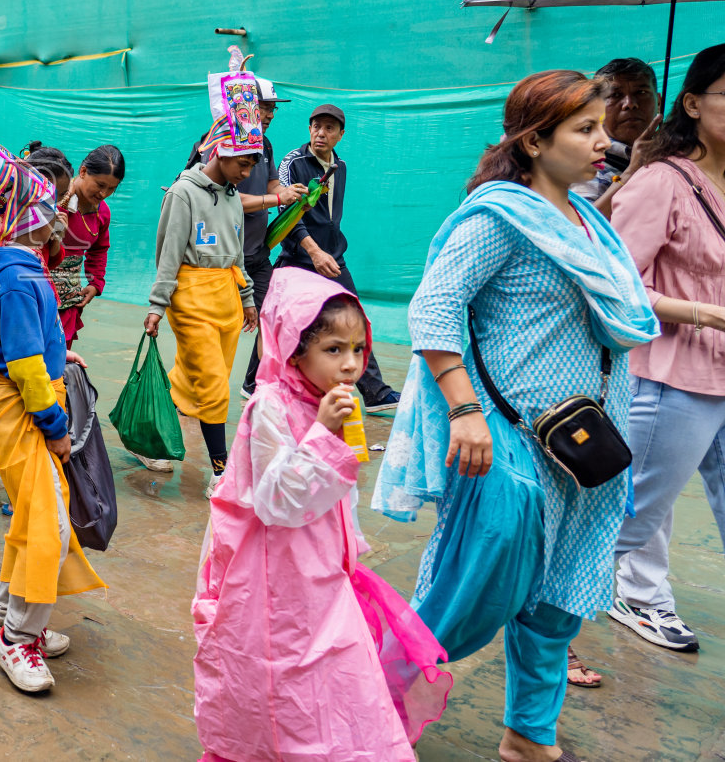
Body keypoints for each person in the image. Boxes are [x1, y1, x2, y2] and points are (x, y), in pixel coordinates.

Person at [372, 70, 658, 762]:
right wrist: (466, 411)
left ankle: (530, 737)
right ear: (535, 140)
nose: (602, 140)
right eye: (584, 129)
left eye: (602, 127)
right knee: (470, 594)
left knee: (559, 600)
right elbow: (434, 308)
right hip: (507, 442)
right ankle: (363, 710)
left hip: (586, 446)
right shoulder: (499, 215)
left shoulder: (588, 221)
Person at [195, 268, 450, 761]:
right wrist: (322, 436)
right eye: (333, 349)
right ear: (294, 348)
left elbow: (337, 496)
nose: (350, 364)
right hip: (276, 579)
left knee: (343, 674)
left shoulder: (328, 400)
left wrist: (348, 546)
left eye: (358, 349)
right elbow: (278, 503)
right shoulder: (268, 407)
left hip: (324, 572)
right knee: (284, 674)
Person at [0, 138, 104, 693]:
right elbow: (24, 366)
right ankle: (18, 641)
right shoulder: (22, 276)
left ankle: (8, 621)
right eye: (54, 209)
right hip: (26, 405)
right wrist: (55, 429)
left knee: (32, 516)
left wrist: (57, 352)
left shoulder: (18, 268)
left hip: (20, 394)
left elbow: (29, 348)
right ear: (37, 218)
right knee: (47, 522)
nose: (63, 219)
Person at [607, 44, 725, 653]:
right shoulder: (661, 182)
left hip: (721, 376)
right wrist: (708, 314)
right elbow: (617, 285)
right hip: (669, 376)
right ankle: (548, 618)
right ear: (693, 104)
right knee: (630, 518)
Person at [144, 140, 259, 491]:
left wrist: (247, 297)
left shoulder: (233, 197)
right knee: (214, 388)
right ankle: (221, 472)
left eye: (252, 165)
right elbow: (168, 251)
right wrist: (157, 305)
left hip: (226, 298)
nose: (246, 173)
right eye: (242, 163)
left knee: (196, 380)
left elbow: (237, 255)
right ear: (219, 155)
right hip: (191, 298)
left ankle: (147, 437)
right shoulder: (182, 194)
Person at [275, 104, 399, 407]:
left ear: (340, 135)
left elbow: (331, 217)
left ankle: (375, 393)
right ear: (309, 129)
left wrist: (327, 252)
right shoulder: (293, 163)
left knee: (353, 318)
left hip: (332, 257)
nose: (321, 133)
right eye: (316, 126)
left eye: (329, 128)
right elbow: (288, 214)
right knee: (283, 320)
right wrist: (314, 251)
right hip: (300, 257)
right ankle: (254, 384)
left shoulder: (339, 167)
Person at [236, 79, 308, 395]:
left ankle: (259, 384)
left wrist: (289, 192)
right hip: (226, 258)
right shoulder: (228, 144)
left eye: (272, 108)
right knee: (219, 330)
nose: (269, 114)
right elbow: (230, 201)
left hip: (257, 252)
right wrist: (277, 200)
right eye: (264, 107)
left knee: (270, 315)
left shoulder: (264, 144)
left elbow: (270, 185)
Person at [52, 144, 124, 346]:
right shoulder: (54, 199)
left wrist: (95, 283)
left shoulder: (103, 212)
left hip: (69, 301)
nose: (103, 193)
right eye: (100, 185)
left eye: (112, 189)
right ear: (83, 171)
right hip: (36, 292)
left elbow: (99, 249)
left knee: (59, 360)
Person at [573, 57, 660, 215]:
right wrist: (632, 172)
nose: (630, 103)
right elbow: (583, 228)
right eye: (615, 95)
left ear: (659, 102)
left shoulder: (678, 154)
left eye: (641, 92)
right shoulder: (586, 166)